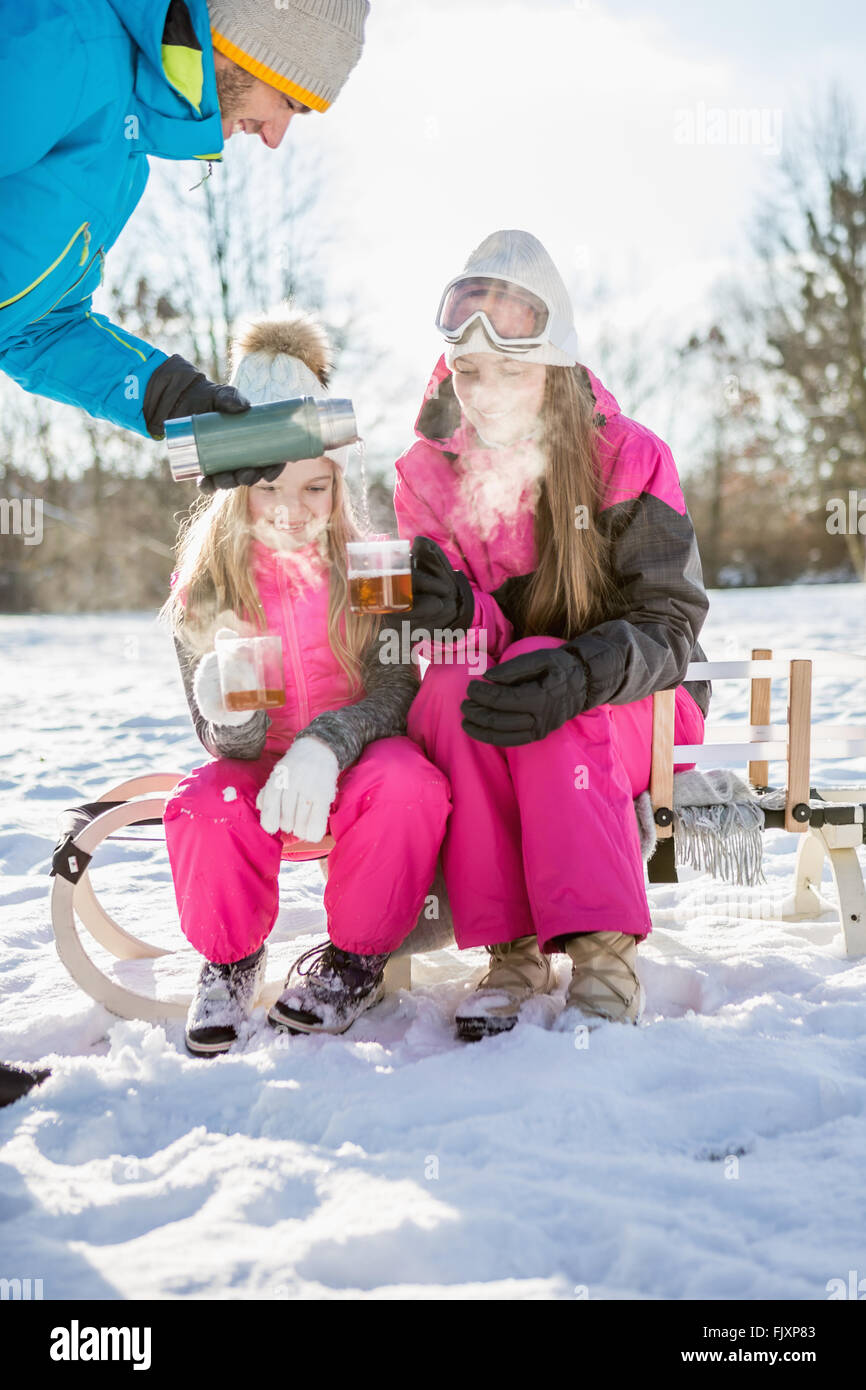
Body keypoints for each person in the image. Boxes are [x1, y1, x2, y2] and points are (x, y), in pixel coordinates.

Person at [392, 229, 712, 1039]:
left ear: (555, 363)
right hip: (504, 709)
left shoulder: (629, 456)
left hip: (639, 701)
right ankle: (510, 952)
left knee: (541, 663)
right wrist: (456, 617)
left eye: (511, 369)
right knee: (455, 684)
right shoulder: (427, 476)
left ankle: (603, 955)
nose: (484, 391)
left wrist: (578, 670)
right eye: (467, 371)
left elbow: (670, 628)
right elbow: (458, 647)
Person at [158, 308, 451, 1054]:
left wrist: (327, 743)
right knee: (203, 803)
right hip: (259, 779)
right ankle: (228, 963)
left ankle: (353, 959)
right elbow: (221, 742)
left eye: (314, 490)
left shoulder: (374, 566)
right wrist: (227, 705)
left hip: (354, 768)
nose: (292, 512)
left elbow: (397, 692)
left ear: (336, 486)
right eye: (268, 490)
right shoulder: (207, 584)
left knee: (410, 783)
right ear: (236, 489)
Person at [0, 0, 369, 484]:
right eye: (288, 102)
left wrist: (169, 396)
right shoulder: (64, 37)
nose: (276, 137)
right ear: (250, 47)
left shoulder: (120, 163)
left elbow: (33, 328)